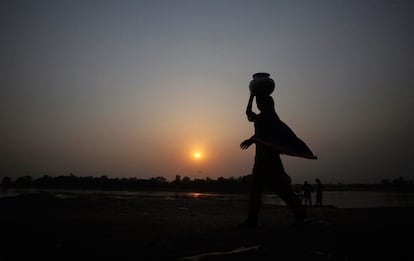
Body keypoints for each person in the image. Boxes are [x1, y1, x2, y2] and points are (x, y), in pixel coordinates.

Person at [239, 72, 317, 228]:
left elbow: (263, 135)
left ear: (268, 104)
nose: (259, 104)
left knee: (282, 189)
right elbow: (248, 114)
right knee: (256, 190)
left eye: (261, 102)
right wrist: (251, 95)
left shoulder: (271, 118)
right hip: (259, 161)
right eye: (259, 102)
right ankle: (252, 220)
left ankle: (301, 215)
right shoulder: (261, 118)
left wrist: (252, 139)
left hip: (270, 160)